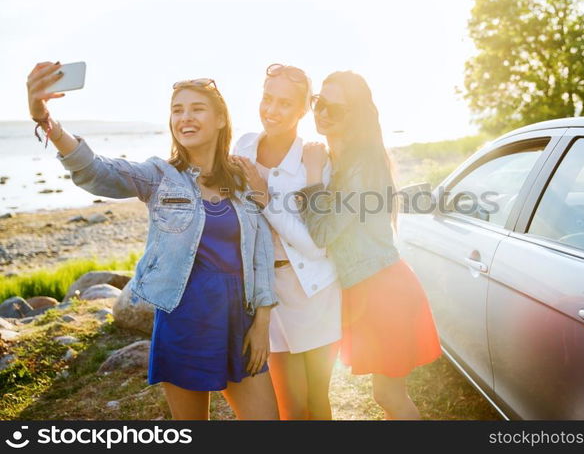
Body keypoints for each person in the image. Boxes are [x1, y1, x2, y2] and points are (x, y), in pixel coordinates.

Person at [25, 61, 279, 420]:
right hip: (184, 318)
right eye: (177, 110)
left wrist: (262, 322)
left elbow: (261, 253)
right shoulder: (160, 176)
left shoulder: (240, 179)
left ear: (221, 119)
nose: (184, 118)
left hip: (240, 318)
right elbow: (98, 172)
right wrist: (47, 122)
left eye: (196, 109)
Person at [297, 71, 442, 420]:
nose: (324, 112)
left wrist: (313, 178)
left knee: (390, 397)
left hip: (382, 290)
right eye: (319, 103)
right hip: (371, 287)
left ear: (356, 114)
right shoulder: (345, 160)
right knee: (388, 396)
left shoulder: (359, 167)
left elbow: (323, 233)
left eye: (336, 108)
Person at [232, 64, 341, 420]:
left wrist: (265, 199)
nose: (271, 110)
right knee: (290, 406)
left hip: (315, 291)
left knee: (317, 403)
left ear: (302, 110)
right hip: (268, 296)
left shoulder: (314, 160)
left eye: (284, 103)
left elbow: (316, 245)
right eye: (267, 98)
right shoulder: (243, 147)